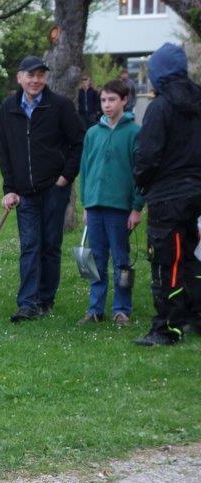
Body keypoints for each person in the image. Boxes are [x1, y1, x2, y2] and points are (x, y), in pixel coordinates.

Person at [0, 55, 84, 322]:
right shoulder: (8, 108)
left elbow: (78, 142)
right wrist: (9, 187)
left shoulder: (59, 106)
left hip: (54, 188)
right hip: (24, 192)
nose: (36, 80)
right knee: (30, 245)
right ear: (19, 78)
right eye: (31, 75)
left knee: (50, 245)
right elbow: (5, 149)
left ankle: (46, 299)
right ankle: (27, 303)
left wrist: (66, 177)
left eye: (40, 75)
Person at [133, 43, 201, 346]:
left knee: (165, 261)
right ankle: (195, 315)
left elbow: (147, 155)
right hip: (197, 193)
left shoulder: (160, 107)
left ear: (158, 73)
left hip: (168, 196)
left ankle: (166, 328)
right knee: (192, 256)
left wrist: (142, 182)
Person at [78, 79, 143, 327]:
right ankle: (95, 308)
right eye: (103, 100)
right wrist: (86, 203)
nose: (106, 105)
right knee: (96, 259)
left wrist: (136, 207)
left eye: (112, 100)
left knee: (121, 260)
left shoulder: (134, 133)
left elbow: (141, 172)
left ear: (124, 101)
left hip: (120, 207)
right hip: (95, 205)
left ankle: (122, 309)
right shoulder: (93, 133)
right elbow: (85, 170)